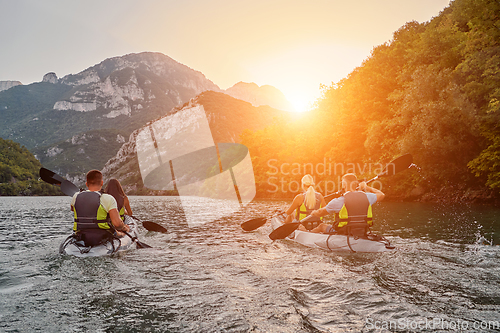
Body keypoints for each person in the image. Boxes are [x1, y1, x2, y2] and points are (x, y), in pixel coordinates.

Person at [309, 173, 384, 235]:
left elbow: (320, 213)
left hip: (343, 232)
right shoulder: (367, 197)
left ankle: (307, 234)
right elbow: (381, 195)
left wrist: (314, 213)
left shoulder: (339, 201)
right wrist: (367, 187)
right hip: (362, 230)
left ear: (344, 185)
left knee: (322, 226)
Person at [71, 170, 130, 246]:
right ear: (102, 183)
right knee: (122, 233)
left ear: (86, 184)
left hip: (80, 235)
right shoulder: (108, 198)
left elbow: (73, 209)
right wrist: (125, 228)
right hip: (102, 235)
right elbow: (117, 224)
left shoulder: (76, 196)